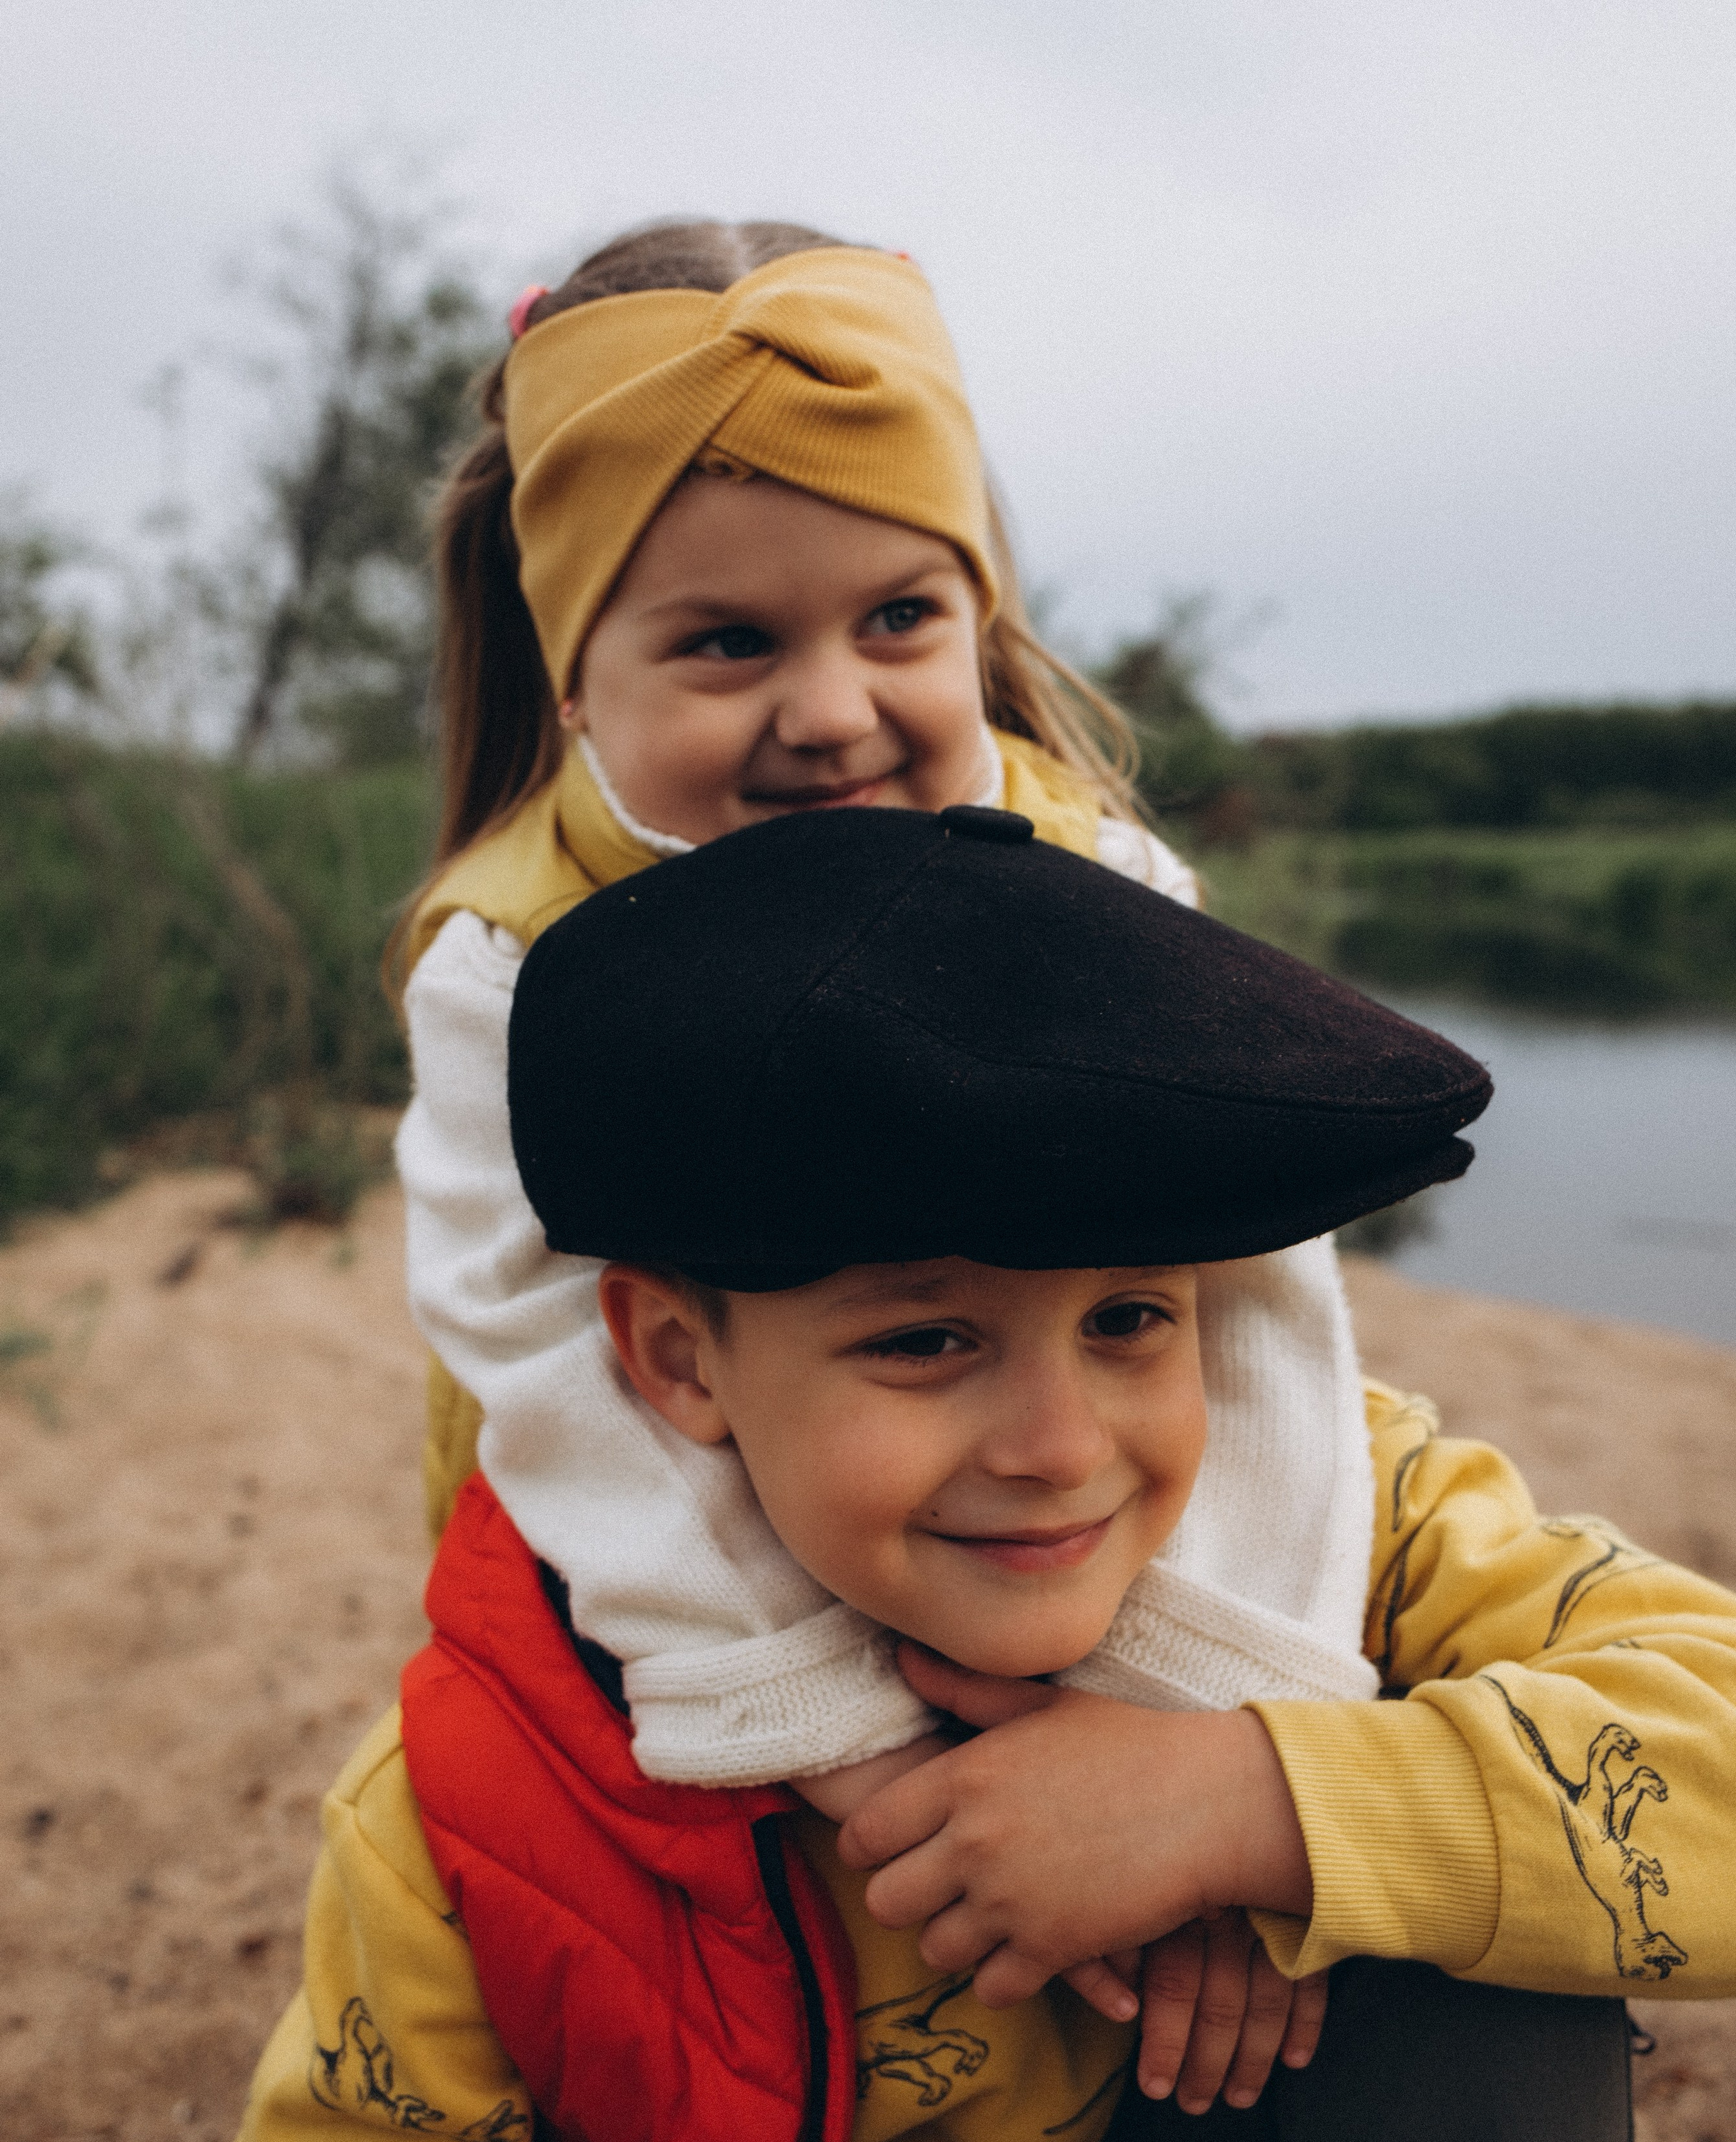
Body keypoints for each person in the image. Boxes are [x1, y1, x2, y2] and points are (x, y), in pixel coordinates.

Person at [159, 810, 1736, 2142]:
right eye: (927, 1340)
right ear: (676, 1360)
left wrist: (1253, 1806)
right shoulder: (505, 1773)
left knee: (1477, 1934)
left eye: (1132, 1316)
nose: (1060, 1450)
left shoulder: (1355, 1526)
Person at [391, 220, 1388, 1841]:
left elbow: (1256, 1300)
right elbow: (546, 1356)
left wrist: (1211, 1727)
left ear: (976, 619)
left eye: (899, 621)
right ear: (573, 675)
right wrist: (816, 1726)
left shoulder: (1096, 879)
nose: (834, 712)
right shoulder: (508, 960)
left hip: (1055, 1582)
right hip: (657, 1604)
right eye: (728, 642)